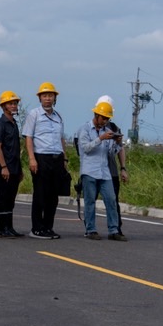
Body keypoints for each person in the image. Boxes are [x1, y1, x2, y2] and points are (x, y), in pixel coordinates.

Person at [76, 99, 126, 240]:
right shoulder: (85, 129)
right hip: (89, 171)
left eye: (107, 119)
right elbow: (85, 148)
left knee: (111, 199)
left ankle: (114, 230)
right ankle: (90, 230)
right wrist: (100, 138)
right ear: (96, 115)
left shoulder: (108, 131)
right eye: (103, 118)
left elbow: (111, 153)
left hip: (104, 172)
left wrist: (117, 143)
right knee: (90, 201)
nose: (105, 121)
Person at [23, 81, 66, 239]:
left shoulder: (58, 116)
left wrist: (65, 159)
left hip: (57, 158)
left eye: (50, 96)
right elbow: (29, 137)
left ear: (55, 98)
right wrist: (32, 159)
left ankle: (48, 227)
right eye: (45, 96)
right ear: (40, 98)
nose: (48, 98)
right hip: (41, 157)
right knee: (40, 194)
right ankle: (37, 228)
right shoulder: (34, 114)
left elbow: (61, 139)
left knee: (53, 197)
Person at [0, 90, 24, 237]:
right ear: (3, 106)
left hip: (14, 168)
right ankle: (2, 228)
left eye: (15, 103)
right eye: (10, 104)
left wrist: (19, 170)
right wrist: (4, 167)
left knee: (10, 199)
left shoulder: (14, 124)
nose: (14, 106)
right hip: (2, 169)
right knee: (2, 198)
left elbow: (16, 149)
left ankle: (9, 227)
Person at [97, 94, 128, 234]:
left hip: (111, 170)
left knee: (113, 201)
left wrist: (123, 168)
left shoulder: (115, 128)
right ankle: (90, 229)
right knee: (90, 201)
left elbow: (120, 148)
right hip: (94, 170)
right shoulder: (89, 127)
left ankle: (116, 228)